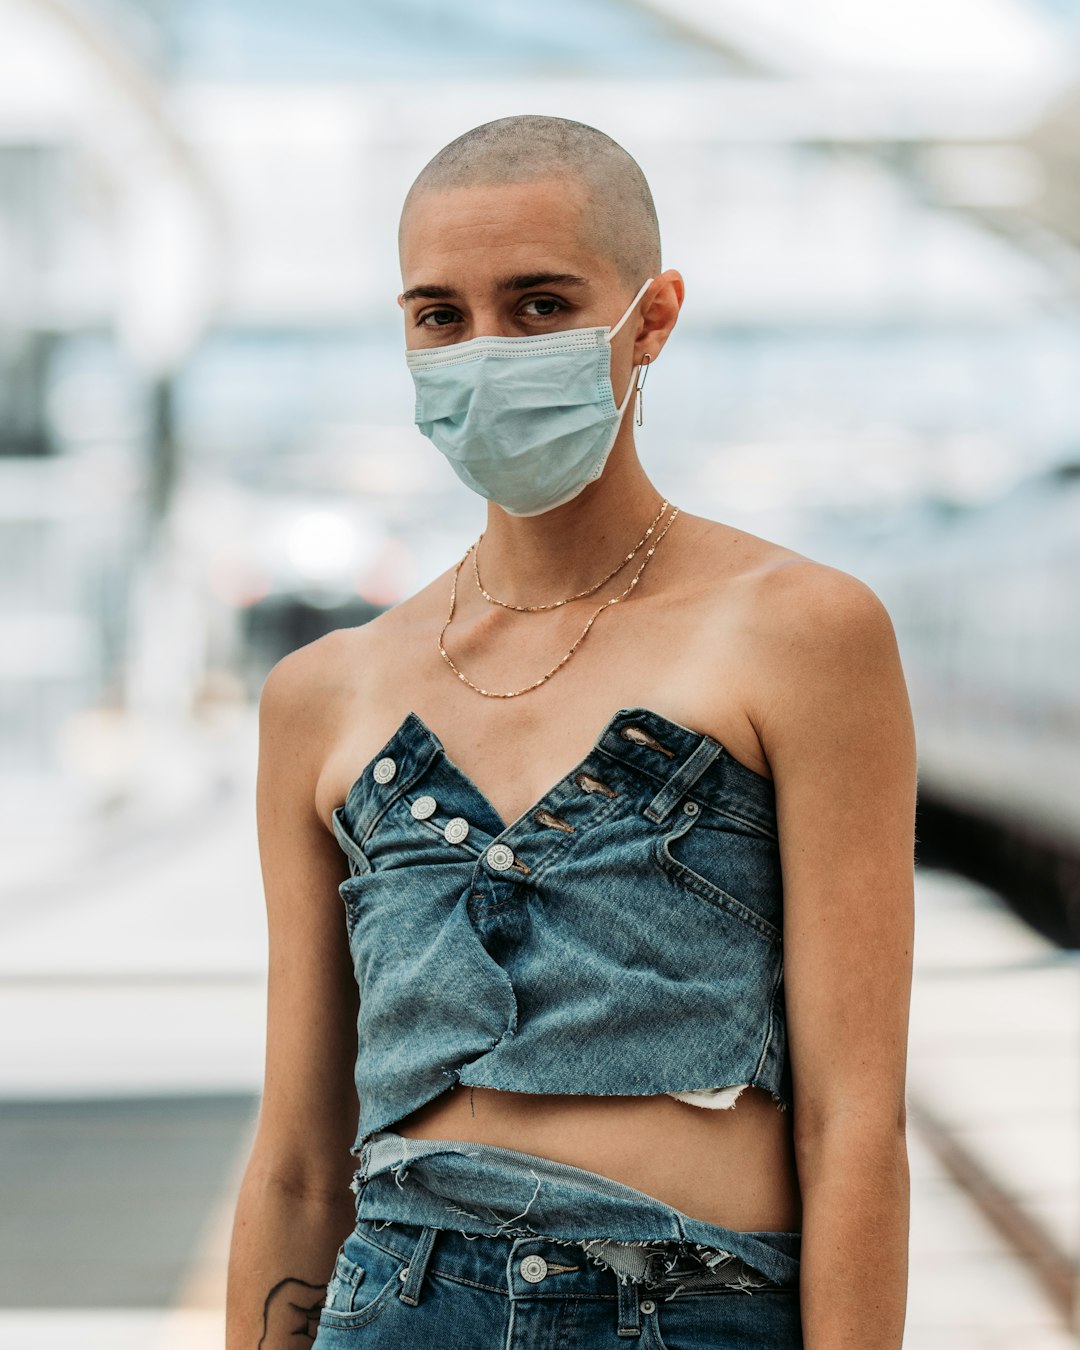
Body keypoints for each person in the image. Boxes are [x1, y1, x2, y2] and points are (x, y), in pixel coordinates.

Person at [225, 115, 916, 1350]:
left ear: (650, 319)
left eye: (539, 306)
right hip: (397, 1306)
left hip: (690, 1314)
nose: (485, 350)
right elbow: (294, 1163)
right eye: (441, 315)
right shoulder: (324, 691)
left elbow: (854, 1129)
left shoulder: (804, 632)